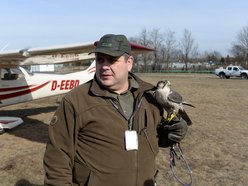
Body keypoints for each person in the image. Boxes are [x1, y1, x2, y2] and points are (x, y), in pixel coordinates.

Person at [43, 34, 188, 186]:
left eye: (112, 60)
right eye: (100, 60)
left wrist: (170, 134)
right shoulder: (76, 100)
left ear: (129, 63)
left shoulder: (149, 97)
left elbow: (153, 139)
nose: (104, 66)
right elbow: (57, 158)